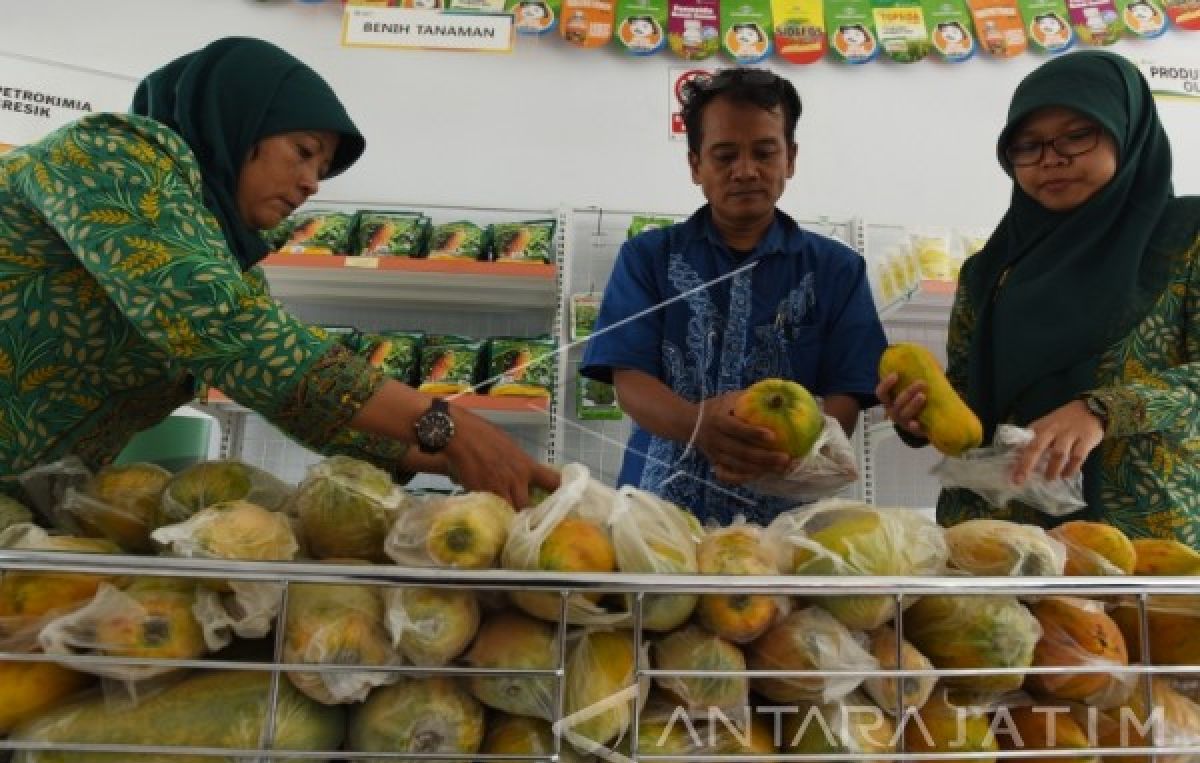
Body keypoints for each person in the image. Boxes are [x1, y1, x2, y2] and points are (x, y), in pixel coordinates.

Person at [0, 37, 558, 512]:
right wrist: (445, 422)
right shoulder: (111, 156)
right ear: (237, 121)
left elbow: (285, 391)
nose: (313, 182)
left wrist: (436, 452)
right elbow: (226, 329)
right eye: (305, 152)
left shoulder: (226, 264)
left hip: (27, 505)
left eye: (323, 170)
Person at [877, 51, 1200, 547]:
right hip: (997, 539)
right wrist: (921, 415)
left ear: (1127, 130)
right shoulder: (990, 270)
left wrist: (1102, 410)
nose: (1051, 158)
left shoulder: (1186, 240)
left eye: (1076, 135)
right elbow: (969, 394)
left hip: (1142, 540)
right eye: (1027, 145)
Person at [580, 68, 887, 526]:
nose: (745, 170)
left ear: (791, 158)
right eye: (724, 155)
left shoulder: (837, 269)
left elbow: (848, 393)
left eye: (765, 152)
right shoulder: (646, 257)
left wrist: (795, 452)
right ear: (695, 165)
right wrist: (696, 425)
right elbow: (629, 379)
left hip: (789, 524)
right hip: (657, 517)